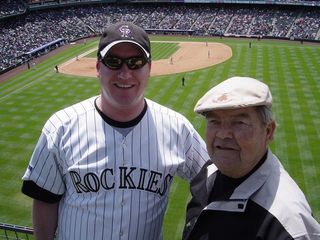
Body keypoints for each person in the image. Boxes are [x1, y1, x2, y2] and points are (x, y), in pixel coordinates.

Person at [21, 22, 209, 240]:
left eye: (135, 62)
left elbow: (217, 177)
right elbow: (45, 200)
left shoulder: (177, 128)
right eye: (113, 62)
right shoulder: (60, 127)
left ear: (149, 67)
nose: (125, 73)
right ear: (99, 67)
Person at [183, 76, 320, 240]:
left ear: (268, 131)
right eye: (214, 121)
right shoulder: (207, 174)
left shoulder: (288, 224)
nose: (223, 134)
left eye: (239, 123)